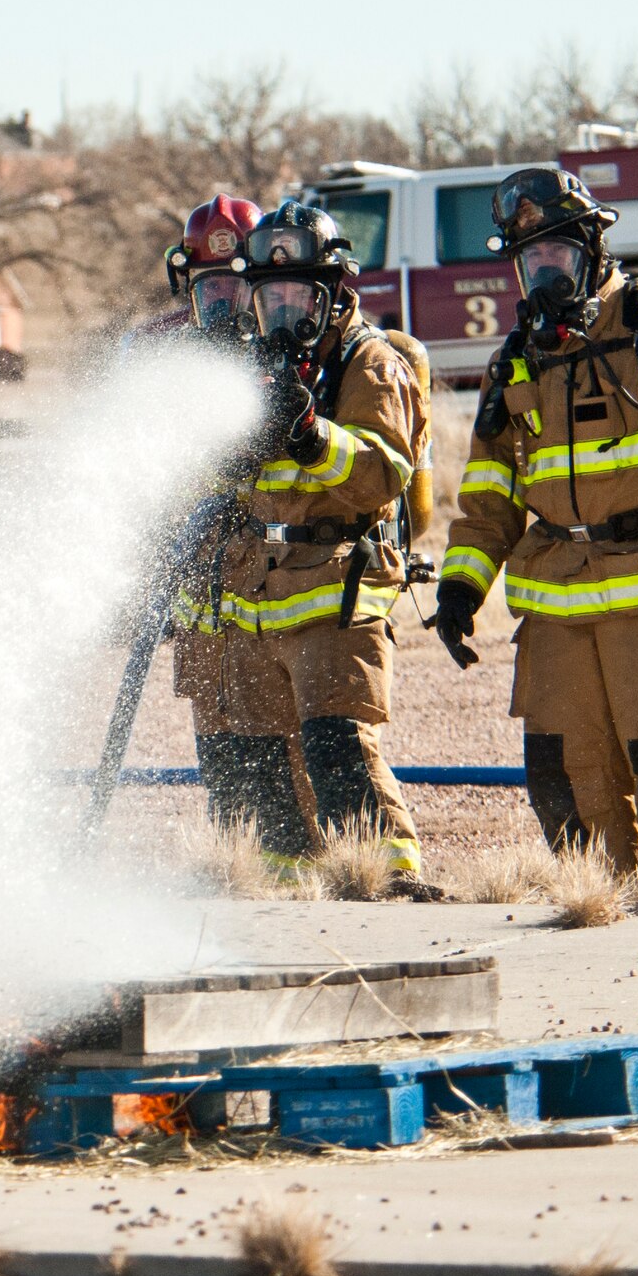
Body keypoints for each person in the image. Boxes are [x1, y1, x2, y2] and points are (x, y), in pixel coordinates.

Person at [434, 168, 638, 871]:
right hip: (557, 609)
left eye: (557, 254)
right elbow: (490, 491)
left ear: (593, 248)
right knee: (564, 782)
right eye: (531, 261)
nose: (543, 272)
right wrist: (462, 586)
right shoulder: (517, 363)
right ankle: (601, 915)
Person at [220, 200, 429, 877]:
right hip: (258, 594)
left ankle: (390, 879)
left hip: (338, 586)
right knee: (264, 767)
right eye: (270, 295)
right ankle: (287, 892)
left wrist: (313, 436)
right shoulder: (247, 371)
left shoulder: (369, 364)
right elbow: (214, 479)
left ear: (335, 294)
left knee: (339, 750)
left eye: (299, 295)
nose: (284, 311)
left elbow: (384, 474)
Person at [148, 196, 319, 864]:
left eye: (234, 287)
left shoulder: (293, 368)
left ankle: (319, 877)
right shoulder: (167, 370)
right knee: (224, 762)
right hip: (203, 606)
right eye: (207, 288)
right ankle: (246, 876)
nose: (221, 304)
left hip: (277, 594)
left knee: (298, 758)